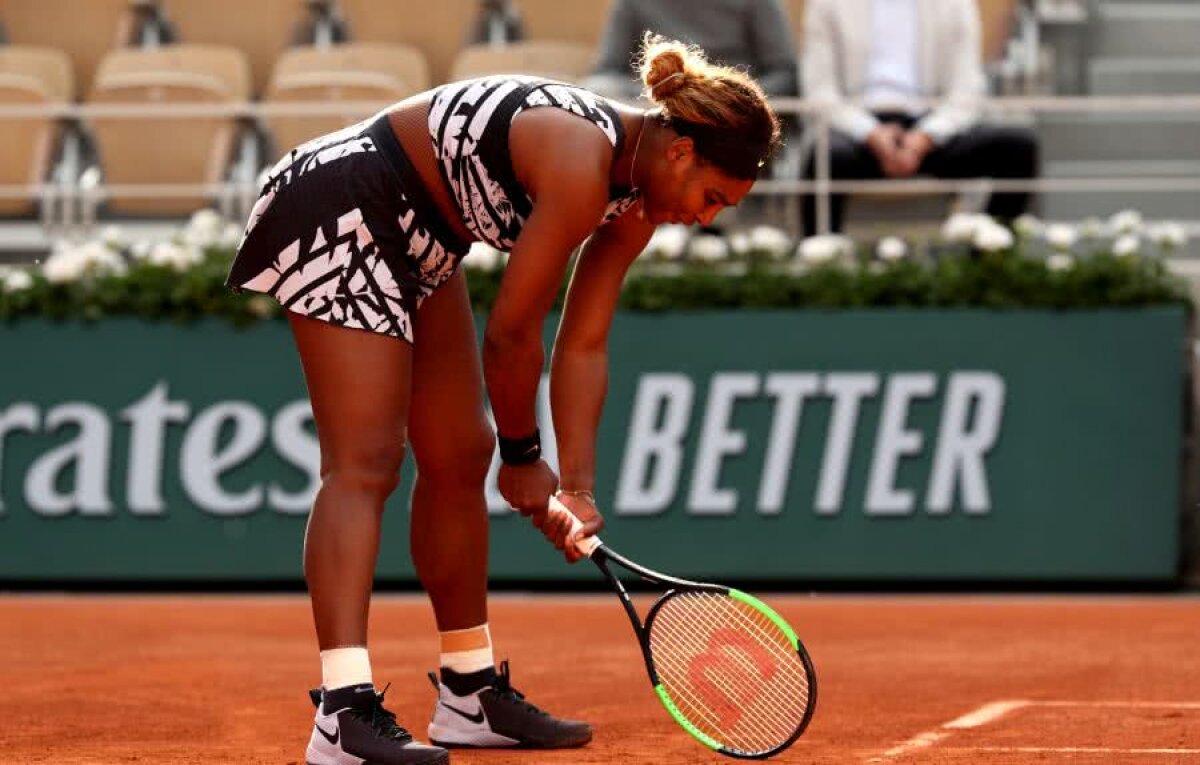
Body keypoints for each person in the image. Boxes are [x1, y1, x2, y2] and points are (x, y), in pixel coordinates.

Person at [225, 32, 781, 765]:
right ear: (680, 152)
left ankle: (468, 689)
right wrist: (526, 457)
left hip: (423, 234)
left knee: (460, 452)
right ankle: (342, 710)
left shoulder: (635, 204)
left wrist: (574, 486)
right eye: (712, 197)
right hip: (339, 200)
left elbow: (581, 345)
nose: (706, 216)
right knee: (366, 461)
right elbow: (513, 337)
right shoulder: (584, 163)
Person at [800, 0, 1040, 236]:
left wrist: (926, 136)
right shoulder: (826, 5)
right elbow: (819, 91)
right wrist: (870, 133)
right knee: (821, 156)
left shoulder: (956, 4)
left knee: (1019, 146)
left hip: (933, 125)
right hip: (856, 128)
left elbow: (967, 90)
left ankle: (990, 258)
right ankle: (821, 262)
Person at [584, 0, 799, 103]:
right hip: (653, 110)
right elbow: (607, 72)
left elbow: (785, 74)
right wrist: (649, 95)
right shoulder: (632, 4)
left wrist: (730, 97)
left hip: (731, 116)